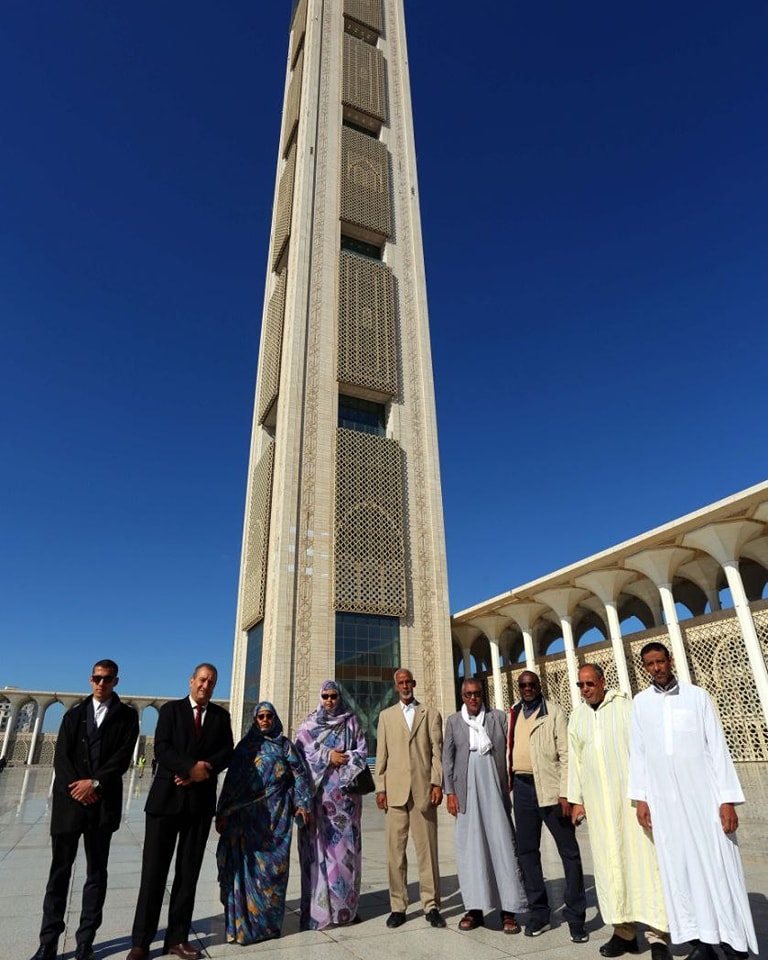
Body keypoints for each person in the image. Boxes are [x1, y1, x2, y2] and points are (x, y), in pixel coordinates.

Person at [628, 642, 758, 960]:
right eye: (650, 664)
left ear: (670, 660)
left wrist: (726, 800)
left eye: (660, 661)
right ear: (644, 667)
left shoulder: (696, 697)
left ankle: (733, 942)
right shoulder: (641, 704)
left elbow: (717, 748)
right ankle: (702, 942)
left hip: (704, 801)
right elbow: (639, 754)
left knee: (718, 867)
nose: (656, 668)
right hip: (665, 804)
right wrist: (641, 798)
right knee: (681, 870)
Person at [30, 659, 139, 960]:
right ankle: (48, 941)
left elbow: (121, 758)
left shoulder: (127, 717)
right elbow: (62, 758)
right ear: (91, 680)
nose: (101, 683)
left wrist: (94, 784)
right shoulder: (74, 714)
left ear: (116, 681)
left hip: (101, 805)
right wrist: (77, 789)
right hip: (70, 804)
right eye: (97, 678)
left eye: (107, 679)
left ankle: (85, 942)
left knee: (96, 874)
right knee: (59, 873)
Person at [126, 663, 233, 960]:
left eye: (211, 682)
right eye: (202, 680)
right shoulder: (171, 711)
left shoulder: (220, 717)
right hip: (165, 803)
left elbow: (226, 752)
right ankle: (141, 941)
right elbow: (162, 748)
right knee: (154, 873)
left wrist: (202, 770)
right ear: (191, 681)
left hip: (198, 805)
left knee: (188, 873)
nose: (205, 686)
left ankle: (177, 937)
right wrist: (188, 769)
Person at [567, 663, 670, 959]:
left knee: (645, 866)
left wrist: (646, 796)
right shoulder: (578, 717)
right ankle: (623, 933)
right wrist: (577, 799)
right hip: (599, 807)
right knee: (610, 868)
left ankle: (658, 936)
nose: (585, 689)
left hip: (631, 804)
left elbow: (644, 752)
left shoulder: (626, 708)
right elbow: (575, 761)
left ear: (602, 682)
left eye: (590, 683)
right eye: (581, 685)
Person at [215, 702, 311, 944]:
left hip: (277, 818)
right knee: (247, 872)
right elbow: (231, 782)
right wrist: (222, 811)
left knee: (273, 872)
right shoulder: (245, 747)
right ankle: (244, 928)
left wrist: (302, 804)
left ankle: (268, 926)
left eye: (269, 716)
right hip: (246, 820)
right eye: (261, 716)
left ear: (274, 718)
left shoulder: (284, 746)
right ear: (255, 720)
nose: (265, 720)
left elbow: (300, 775)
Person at [443, 678, 527, 933]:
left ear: (483, 695)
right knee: (471, 848)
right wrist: (450, 792)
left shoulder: (497, 718)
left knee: (502, 845)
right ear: (462, 696)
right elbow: (448, 758)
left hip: (493, 786)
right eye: (468, 694)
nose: (473, 698)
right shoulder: (454, 721)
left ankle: (508, 909)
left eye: (477, 694)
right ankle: (475, 908)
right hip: (466, 790)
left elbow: (511, 749)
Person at [508, 670, 587, 941]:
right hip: (522, 789)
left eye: (532, 684)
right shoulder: (514, 713)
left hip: (552, 792)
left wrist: (566, 793)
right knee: (527, 853)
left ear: (538, 686)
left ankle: (576, 916)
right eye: (523, 685)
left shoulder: (553, 712)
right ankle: (539, 913)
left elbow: (566, 754)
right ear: (518, 688)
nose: (527, 688)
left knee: (569, 852)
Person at [375, 667, 445, 928]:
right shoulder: (386, 716)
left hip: (422, 791)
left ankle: (431, 904)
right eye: (401, 682)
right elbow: (381, 755)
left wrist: (436, 782)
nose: (405, 686)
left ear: (414, 684)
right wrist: (380, 788)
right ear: (396, 686)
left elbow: (437, 752)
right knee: (395, 853)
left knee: (427, 850)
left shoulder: (429, 714)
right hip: (395, 792)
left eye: (409, 682)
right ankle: (398, 906)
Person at [295, 680, 367, 929]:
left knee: (346, 855)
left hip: (345, 802)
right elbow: (300, 754)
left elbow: (362, 751)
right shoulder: (309, 724)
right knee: (317, 853)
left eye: (333, 696)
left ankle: (345, 909)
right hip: (318, 803)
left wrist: (345, 758)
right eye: (325, 696)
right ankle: (320, 911)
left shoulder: (351, 721)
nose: (329, 700)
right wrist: (328, 755)